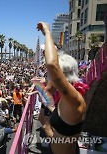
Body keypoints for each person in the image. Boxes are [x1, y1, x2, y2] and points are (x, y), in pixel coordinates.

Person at [37, 22, 89, 154]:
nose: (48, 78)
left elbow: (52, 64)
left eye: (50, 75)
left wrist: (47, 32)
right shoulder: (68, 98)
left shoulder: (74, 99)